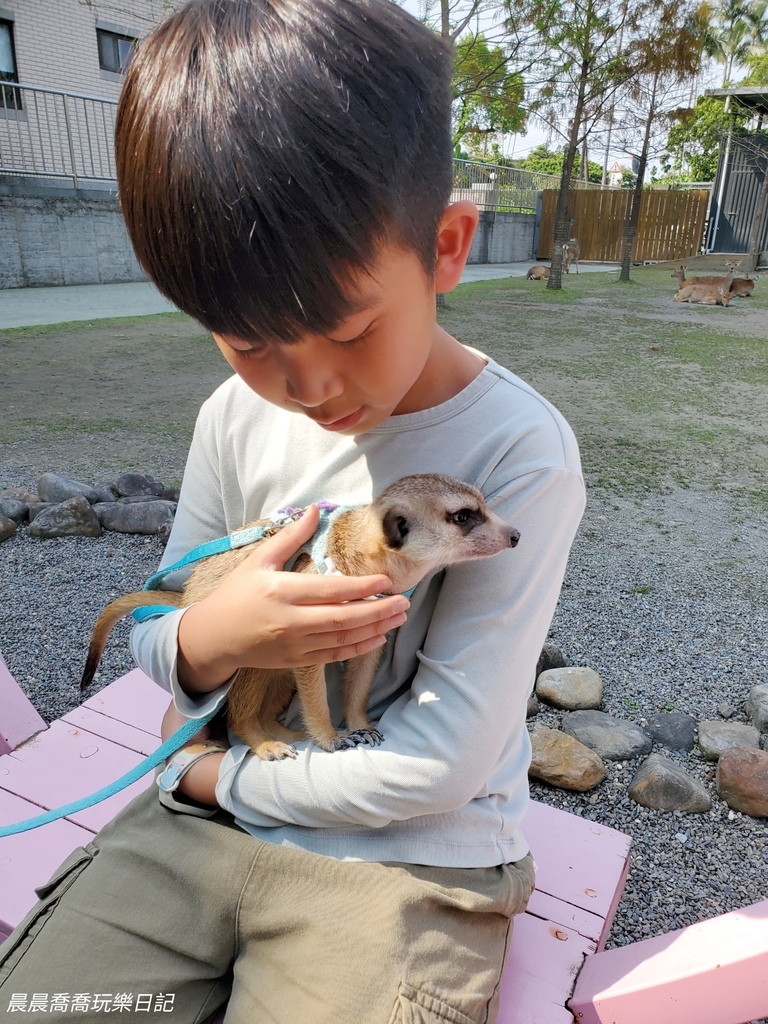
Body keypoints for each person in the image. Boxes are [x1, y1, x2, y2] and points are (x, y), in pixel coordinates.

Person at [0, 1, 585, 1021]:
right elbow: (158, 629)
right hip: (199, 829)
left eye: (349, 328)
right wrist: (214, 638)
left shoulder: (520, 453)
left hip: (408, 858)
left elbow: (437, 768)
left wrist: (211, 780)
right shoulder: (232, 418)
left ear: (447, 246)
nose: (307, 385)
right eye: (244, 338)